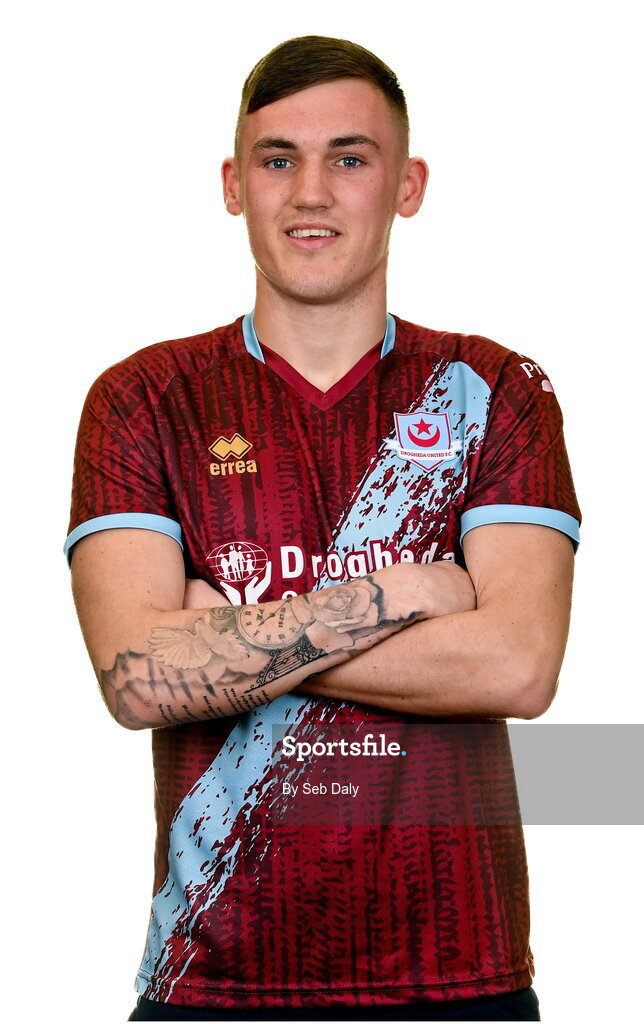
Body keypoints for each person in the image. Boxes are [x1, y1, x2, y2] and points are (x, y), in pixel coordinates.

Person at [65, 35, 580, 1022]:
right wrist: (408, 595)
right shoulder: (141, 398)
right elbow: (136, 672)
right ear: (233, 185)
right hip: (210, 980)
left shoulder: (493, 391)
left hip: (453, 975)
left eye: (349, 157)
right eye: (276, 159)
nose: (310, 190)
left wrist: (224, 640)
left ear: (406, 184)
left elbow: (516, 663)